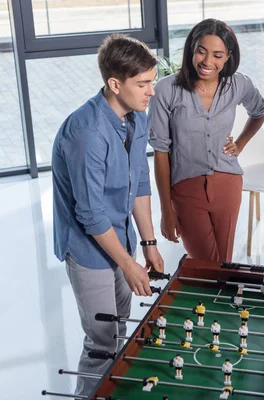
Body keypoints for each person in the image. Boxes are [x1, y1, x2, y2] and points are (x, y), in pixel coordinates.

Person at [52, 33, 164, 396]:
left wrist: (148, 244)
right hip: (89, 251)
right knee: (101, 342)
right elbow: (91, 213)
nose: (151, 91)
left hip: (122, 241)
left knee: (118, 331)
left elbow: (139, 183)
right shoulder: (86, 133)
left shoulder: (136, 116)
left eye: (152, 82)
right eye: (143, 84)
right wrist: (128, 265)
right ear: (115, 84)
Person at [149, 18, 264, 262]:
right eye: (201, 52)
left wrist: (241, 144)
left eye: (217, 55)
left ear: (228, 57)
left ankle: (220, 297)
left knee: (222, 261)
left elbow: (260, 111)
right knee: (208, 263)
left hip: (228, 183)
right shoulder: (165, 90)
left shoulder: (238, 84)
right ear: (192, 49)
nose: (207, 62)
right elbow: (161, 152)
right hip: (185, 187)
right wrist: (166, 209)